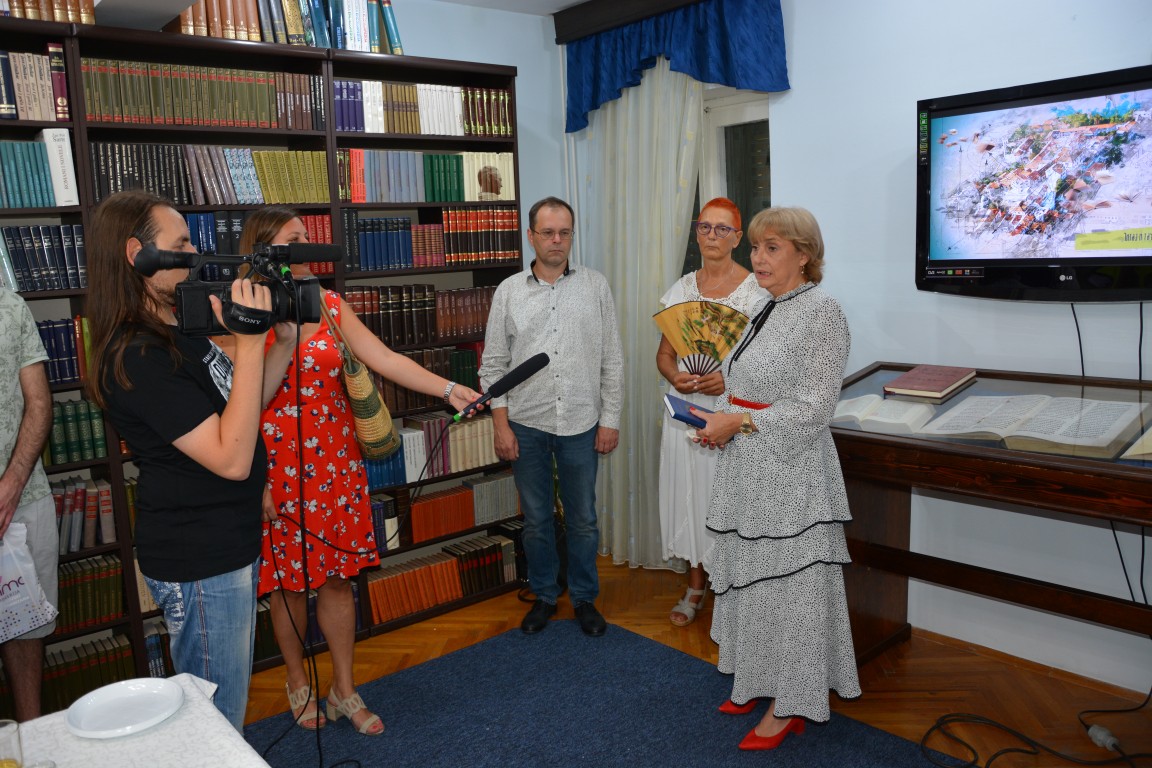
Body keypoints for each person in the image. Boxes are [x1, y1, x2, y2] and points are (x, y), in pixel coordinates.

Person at [242, 207, 483, 736]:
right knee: (287, 585)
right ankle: (296, 680)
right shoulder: (243, 311)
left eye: (307, 236)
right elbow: (236, 404)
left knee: (336, 578)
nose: (308, 246)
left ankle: (344, 689)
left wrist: (448, 389)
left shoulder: (330, 305)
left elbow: (385, 358)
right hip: (275, 469)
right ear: (265, 252)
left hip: (336, 465)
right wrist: (255, 479)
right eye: (294, 239)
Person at [87, 189, 285, 731]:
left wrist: (282, 344)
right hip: (199, 555)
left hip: (224, 539)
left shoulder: (174, 329)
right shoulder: (137, 355)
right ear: (138, 255)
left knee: (223, 707)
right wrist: (248, 343)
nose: (195, 254)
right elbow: (231, 459)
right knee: (215, 722)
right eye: (181, 244)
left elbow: (239, 412)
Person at [691, 206, 861, 751]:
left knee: (791, 593)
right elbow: (743, 384)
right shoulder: (763, 306)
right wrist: (716, 419)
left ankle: (791, 703)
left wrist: (737, 422)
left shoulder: (823, 313)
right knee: (755, 584)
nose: (758, 258)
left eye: (772, 248)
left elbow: (814, 408)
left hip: (793, 477)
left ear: (804, 256)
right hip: (749, 469)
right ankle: (755, 680)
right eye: (756, 247)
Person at [480, 196, 623, 637]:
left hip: (581, 422)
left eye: (564, 233)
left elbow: (612, 359)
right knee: (537, 520)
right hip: (526, 423)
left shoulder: (595, 286)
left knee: (583, 519)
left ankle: (583, 598)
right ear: (531, 236)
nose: (556, 240)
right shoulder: (509, 292)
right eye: (548, 232)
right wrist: (501, 425)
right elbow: (493, 366)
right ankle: (544, 595)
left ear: (571, 236)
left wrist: (610, 418)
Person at [656, 198, 765, 627]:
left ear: (738, 238)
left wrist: (730, 381)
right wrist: (675, 376)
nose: (712, 236)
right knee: (690, 495)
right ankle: (696, 585)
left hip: (731, 412)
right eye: (705, 227)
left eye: (723, 229)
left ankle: (735, 591)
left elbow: (765, 366)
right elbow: (665, 356)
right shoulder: (681, 290)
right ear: (696, 233)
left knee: (728, 499)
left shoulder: (757, 292)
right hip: (686, 407)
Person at [0, 288, 55, 721]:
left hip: (23, 499)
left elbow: (39, 403)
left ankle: (32, 737)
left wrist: (12, 484)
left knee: (27, 631)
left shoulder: (9, 304)